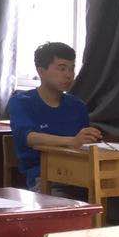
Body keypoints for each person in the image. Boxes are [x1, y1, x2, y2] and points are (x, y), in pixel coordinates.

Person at [8, 41, 100, 189]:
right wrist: (72, 141)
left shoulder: (78, 106)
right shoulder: (21, 102)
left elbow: (83, 144)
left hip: (80, 176)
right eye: (62, 68)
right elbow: (29, 137)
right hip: (44, 178)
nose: (68, 75)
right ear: (41, 71)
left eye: (72, 69)